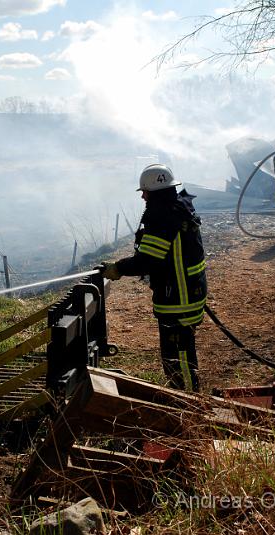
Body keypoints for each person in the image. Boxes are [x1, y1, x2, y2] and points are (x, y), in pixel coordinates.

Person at [102, 164, 207, 392]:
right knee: (182, 348)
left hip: (178, 298)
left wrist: (117, 269)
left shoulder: (162, 218)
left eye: (144, 191)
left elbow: (147, 261)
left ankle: (190, 401)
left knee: (178, 353)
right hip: (189, 291)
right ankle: (185, 394)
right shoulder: (179, 207)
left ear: (154, 191)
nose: (142, 196)